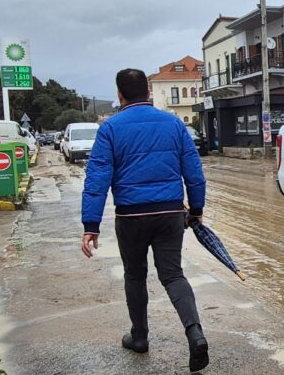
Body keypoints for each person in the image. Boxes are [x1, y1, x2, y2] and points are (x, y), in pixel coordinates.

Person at [81, 68, 209, 372]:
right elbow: (194, 172)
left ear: (120, 94)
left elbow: (97, 179)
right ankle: (195, 333)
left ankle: (139, 337)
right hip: (169, 213)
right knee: (173, 275)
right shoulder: (174, 124)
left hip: (131, 216)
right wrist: (196, 210)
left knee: (135, 275)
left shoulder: (110, 129)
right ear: (148, 92)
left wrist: (90, 225)